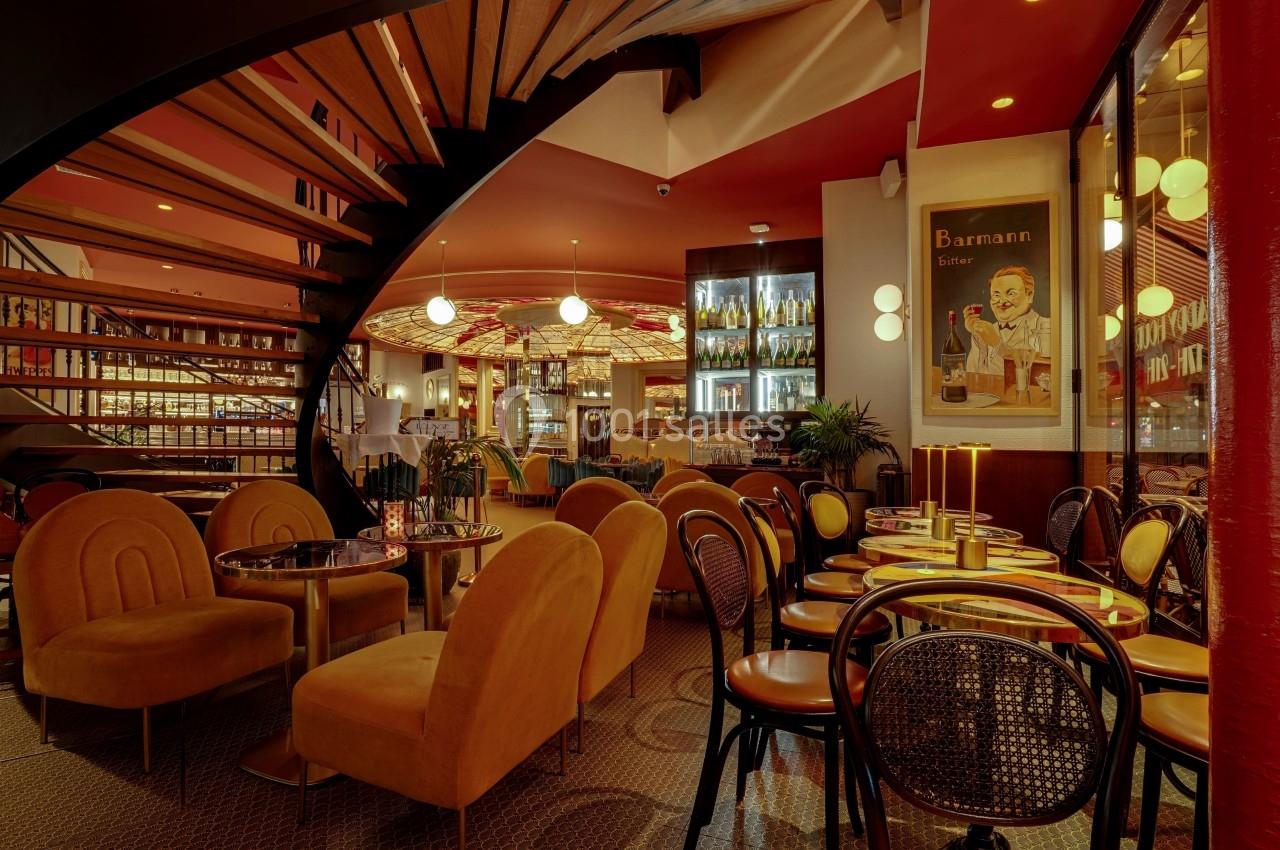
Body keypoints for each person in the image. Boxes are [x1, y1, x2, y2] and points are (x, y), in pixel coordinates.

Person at [963, 265, 1051, 376]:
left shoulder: (1047, 327)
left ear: (1029, 295)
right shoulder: (989, 329)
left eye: (1011, 293)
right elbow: (974, 377)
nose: (1002, 301)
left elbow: (1035, 377)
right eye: (996, 295)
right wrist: (977, 337)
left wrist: (997, 344)